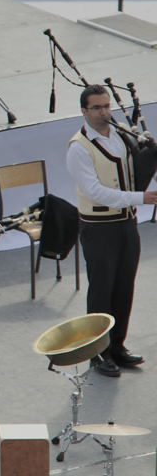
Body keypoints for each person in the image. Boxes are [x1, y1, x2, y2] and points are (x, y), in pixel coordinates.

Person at [65, 84, 157, 377]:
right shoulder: (78, 148)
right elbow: (96, 191)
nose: (104, 112)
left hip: (126, 224)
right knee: (101, 291)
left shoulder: (119, 136)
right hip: (99, 228)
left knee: (124, 287)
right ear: (84, 111)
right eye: (97, 108)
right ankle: (97, 353)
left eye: (107, 106)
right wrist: (140, 198)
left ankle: (117, 345)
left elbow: (130, 172)